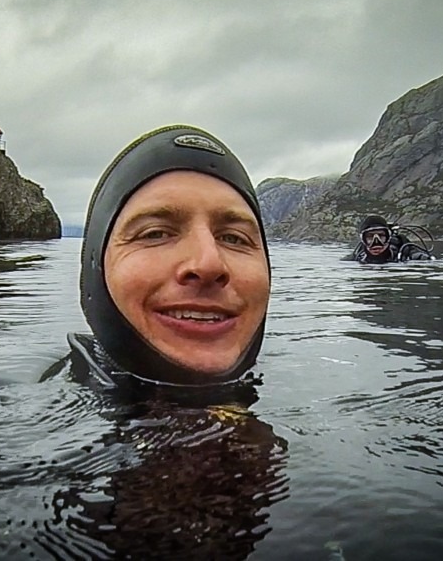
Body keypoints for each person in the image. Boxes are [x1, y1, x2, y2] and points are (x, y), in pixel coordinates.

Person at [42, 124, 271, 395]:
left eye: (234, 238)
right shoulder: (18, 427)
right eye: (155, 233)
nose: (209, 263)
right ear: (96, 267)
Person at [344, 214, 434, 263]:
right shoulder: (355, 258)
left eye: (381, 236)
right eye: (370, 237)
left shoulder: (406, 253)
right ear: (363, 239)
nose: (376, 243)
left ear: (389, 237)